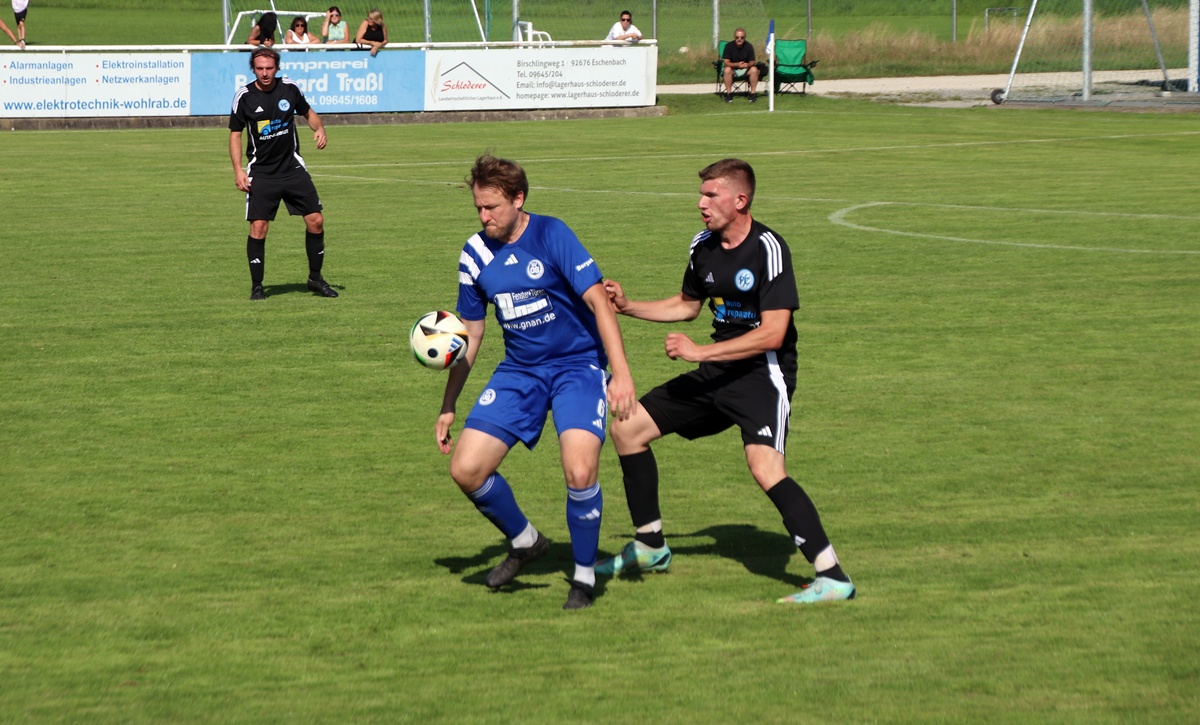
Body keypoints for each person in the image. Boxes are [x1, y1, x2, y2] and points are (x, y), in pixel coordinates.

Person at [597, 158, 855, 605]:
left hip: (762, 374)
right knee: (627, 426)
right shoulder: (703, 245)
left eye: (711, 195)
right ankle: (651, 544)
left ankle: (832, 576)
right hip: (716, 372)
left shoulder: (769, 248)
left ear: (740, 200)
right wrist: (626, 305)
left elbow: (773, 333)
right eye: (701, 194)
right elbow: (685, 305)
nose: (701, 203)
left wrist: (700, 352)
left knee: (766, 468)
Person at [436, 153, 637, 611]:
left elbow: (600, 302)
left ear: (519, 199)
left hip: (577, 367)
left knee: (580, 470)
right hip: (520, 371)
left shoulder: (552, 234)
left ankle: (583, 578)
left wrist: (621, 374)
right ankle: (526, 542)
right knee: (465, 469)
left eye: (493, 208)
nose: (485, 217)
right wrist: (449, 403)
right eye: (478, 209)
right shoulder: (474, 254)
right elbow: (473, 332)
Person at [228, 47, 338, 301]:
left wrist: (319, 128)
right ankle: (257, 286)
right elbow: (235, 134)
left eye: (269, 68)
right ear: (253, 69)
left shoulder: (289, 88)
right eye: (260, 68)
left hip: (292, 169)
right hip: (262, 173)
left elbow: (308, 112)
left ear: (277, 68)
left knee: (316, 221)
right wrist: (237, 170)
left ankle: (315, 279)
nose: (265, 73)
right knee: (259, 227)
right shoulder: (244, 96)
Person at [720, 28, 761, 103]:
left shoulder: (749, 46)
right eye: (737, 37)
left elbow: (752, 61)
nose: (739, 39)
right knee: (726, 69)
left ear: (745, 38)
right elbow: (726, 62)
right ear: (734, 37)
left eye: (742, 37)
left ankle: (752, 94)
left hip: (746, 69)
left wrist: (747, 64)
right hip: (733, 70)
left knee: (754, 69)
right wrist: (737, 65)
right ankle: (729, 94)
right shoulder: (729, 46)